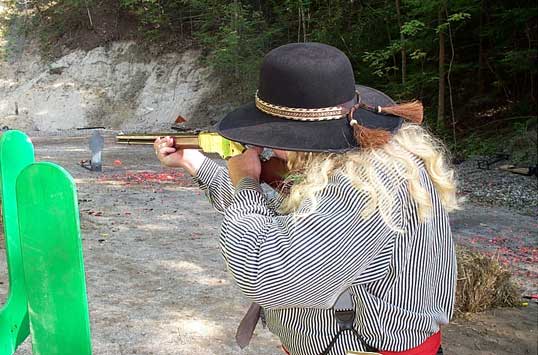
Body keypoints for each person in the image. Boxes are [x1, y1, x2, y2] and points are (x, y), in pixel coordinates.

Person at [154, 42, 459, 355]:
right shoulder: (362, 159)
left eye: (276, 136)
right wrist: (195, 163)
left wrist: (245, 181)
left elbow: (260, 270)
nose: (270, 146)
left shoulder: (362, 185)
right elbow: (282, 220)